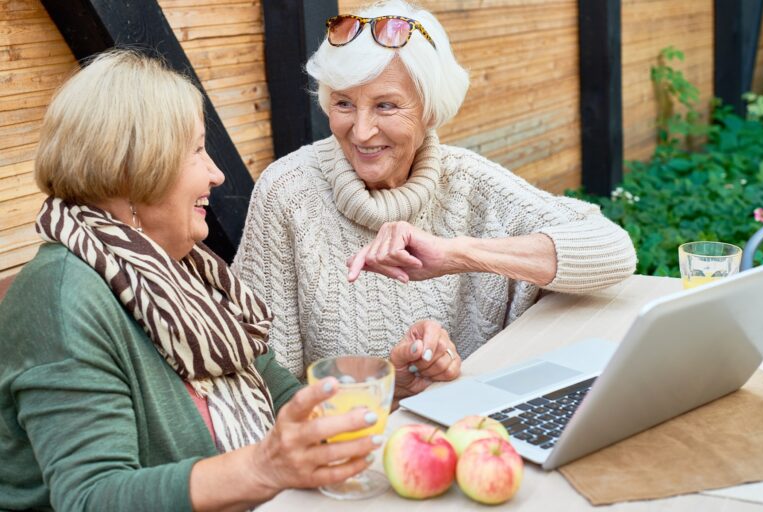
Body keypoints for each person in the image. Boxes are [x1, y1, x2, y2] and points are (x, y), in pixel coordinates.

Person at [0, 50, 449, 511]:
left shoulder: (185, 272)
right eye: (196, 150)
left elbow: (285, 402)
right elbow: (92, 498)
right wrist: (261, 468)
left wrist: (388, 384)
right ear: (135, 169)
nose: (216, 174)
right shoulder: (58, 296)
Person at [232, 0, 637, 380]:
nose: (361, 130)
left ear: (429, 109)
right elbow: (260, 374)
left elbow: (612, 250)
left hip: (470, 427)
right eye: (343, 104)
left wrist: (455, 254)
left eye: (386, 106)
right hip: (343, 440)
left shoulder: (468, 181)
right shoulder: (287, 190)